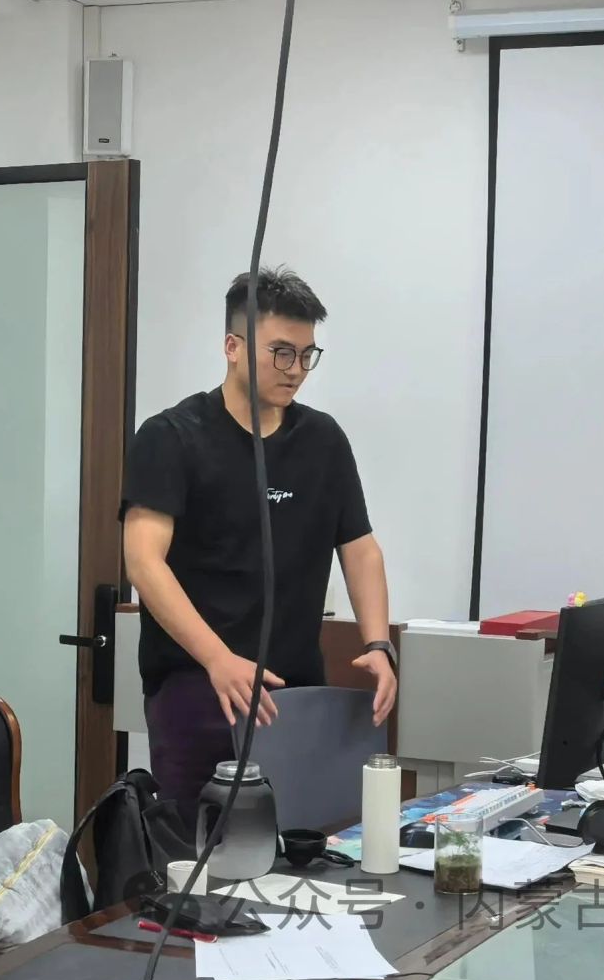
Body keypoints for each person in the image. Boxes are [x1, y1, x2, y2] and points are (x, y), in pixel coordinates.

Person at [121, 266, 399, 808]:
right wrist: (218, 658)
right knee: (198, 846)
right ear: (233, 346)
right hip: (201, 685)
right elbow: (144, 563)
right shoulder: (171, 437)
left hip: (293, 689)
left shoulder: (322, 440)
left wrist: (378, 644)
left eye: (306, 355)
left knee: (299, 839)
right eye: (280, 353)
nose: (295, 370)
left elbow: (360, 548)